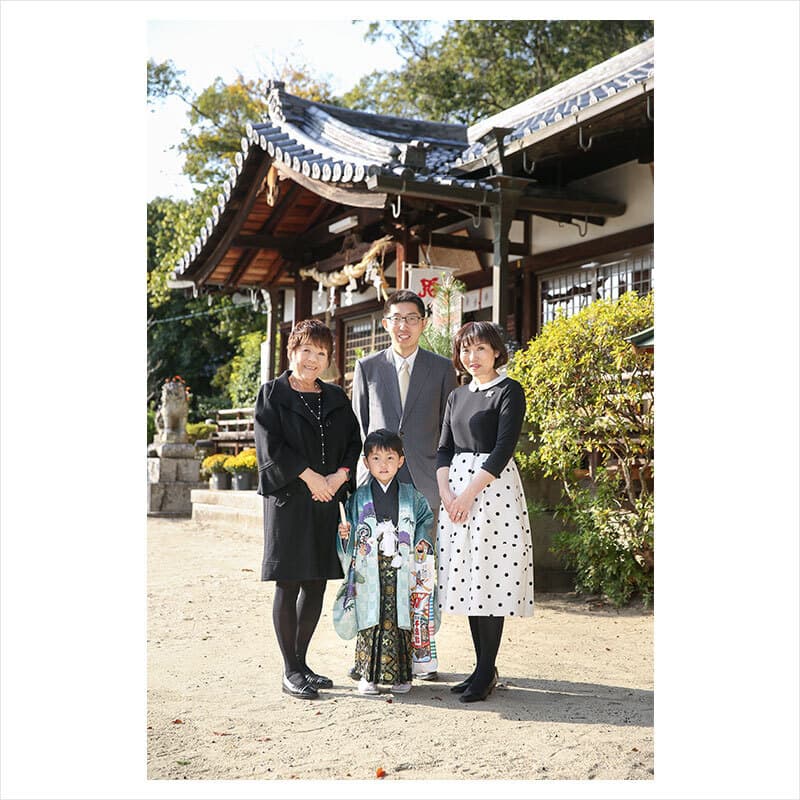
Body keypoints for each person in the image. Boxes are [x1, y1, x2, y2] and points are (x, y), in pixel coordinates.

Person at [351, 290, 458, 679]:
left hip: (425, 483)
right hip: (378, 485)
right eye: (396, 318)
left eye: (412, 318)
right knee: (374, 570)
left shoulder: (442, 368)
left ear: (423, 323)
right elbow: (358, 428)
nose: (404, 326)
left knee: (422, 573)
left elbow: (449, 430)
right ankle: (370, 656)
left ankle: (422, 655)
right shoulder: (367, 367)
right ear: (386, 323)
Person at [254, 319, 362, 700]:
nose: (313, 359)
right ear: (292, 351)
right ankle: (289, 669)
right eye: (306, 351)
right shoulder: (273, 395)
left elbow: (354, 441)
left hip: (326, 500)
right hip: (290, 500)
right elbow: (271, 447)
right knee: (289, 580)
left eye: (321, 353)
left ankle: (302, 663)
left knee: (316, 580)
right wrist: (311, 478)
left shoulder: (335, 397)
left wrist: (338, 477)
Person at [435, 321, 534, 703]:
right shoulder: (457, 396)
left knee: (491, 577)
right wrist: (447, 493)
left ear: (495, 351)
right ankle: (483, 668)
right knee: (471, 580)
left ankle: (484, 671)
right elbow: (443, 448)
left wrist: (469, 494)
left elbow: (503, 447)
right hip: (456, 494)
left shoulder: (509, 391)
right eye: (464, 350)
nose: (471, 357)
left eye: (479, 349)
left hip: (492, 493)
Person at [334, 429, 437, 695]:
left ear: (401, 461)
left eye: (390, 458)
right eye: (376, 459)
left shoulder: (411, 495)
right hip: (370, 569)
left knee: (400, 619)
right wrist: (346, 535)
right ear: (366, 462)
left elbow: (425, 520)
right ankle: (368, 675)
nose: (384, 465)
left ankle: (402, 675)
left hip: (401, 568)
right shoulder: (359, 497)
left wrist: (420, 542)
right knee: (372, 619)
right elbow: (352, 532)